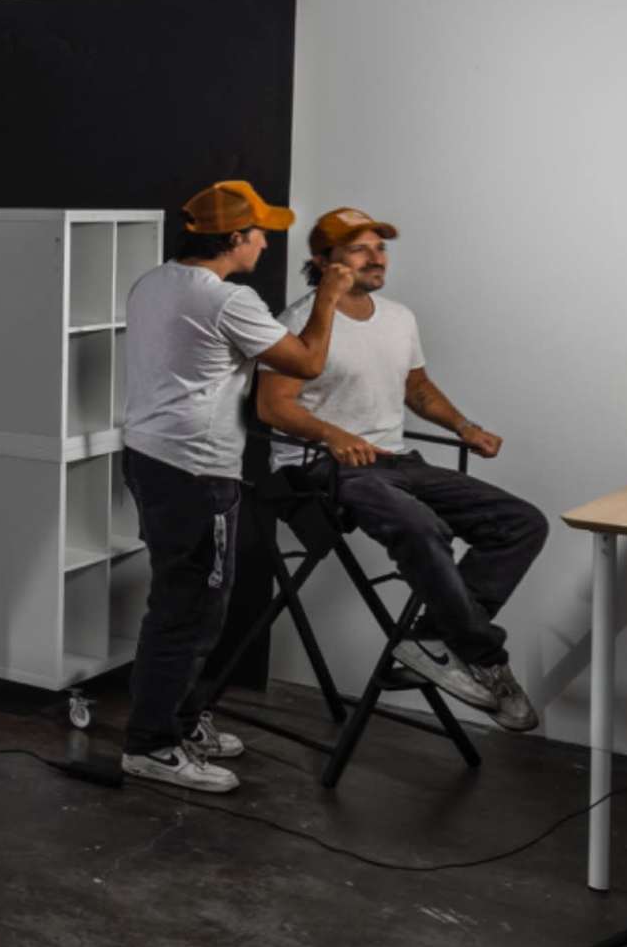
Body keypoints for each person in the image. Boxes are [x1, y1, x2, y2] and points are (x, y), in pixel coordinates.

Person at [252, 209, 548, 733]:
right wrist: (334, 435)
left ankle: (432, 640)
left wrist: (463, 427)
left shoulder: (398, 318)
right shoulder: (296, 321)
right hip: (323, 467)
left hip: (396, 461)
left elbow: (417, 389)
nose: (376, 258)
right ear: (323, 262)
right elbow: (273, 408)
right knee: (421, 526)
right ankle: (484, 658)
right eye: (359, 249)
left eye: (380, 248)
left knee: (522, 522)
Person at [113, 181, 354, 794]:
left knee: (188, 601)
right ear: (234, 238)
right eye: (260, 233)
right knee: (189, 609)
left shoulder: (154, 282)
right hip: (196, 473)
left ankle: (179, 721)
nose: (267, 243)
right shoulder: (226, 299)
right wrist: (327, 295)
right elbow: (306, 363)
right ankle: (152, 745)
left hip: (152, 459)